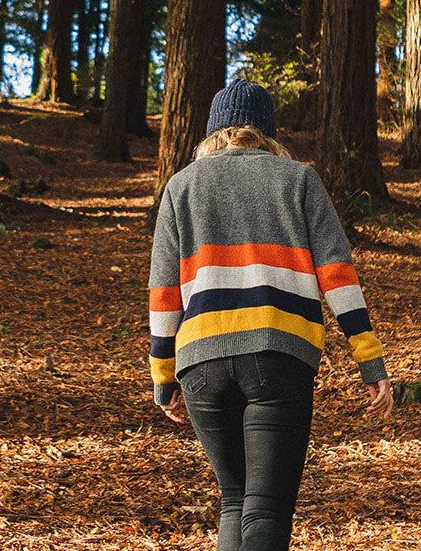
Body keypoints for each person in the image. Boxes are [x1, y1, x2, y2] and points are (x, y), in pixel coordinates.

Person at [148, 78, 392, 551]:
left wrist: (164, 380)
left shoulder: (181, 186)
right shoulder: (299, 178)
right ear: (268, 131)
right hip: (279, 356)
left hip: (201, 363)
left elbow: (163, 294)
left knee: (234, 501)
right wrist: (369, 360)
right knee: (267, 509)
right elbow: (338, 275)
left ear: (213, 132)